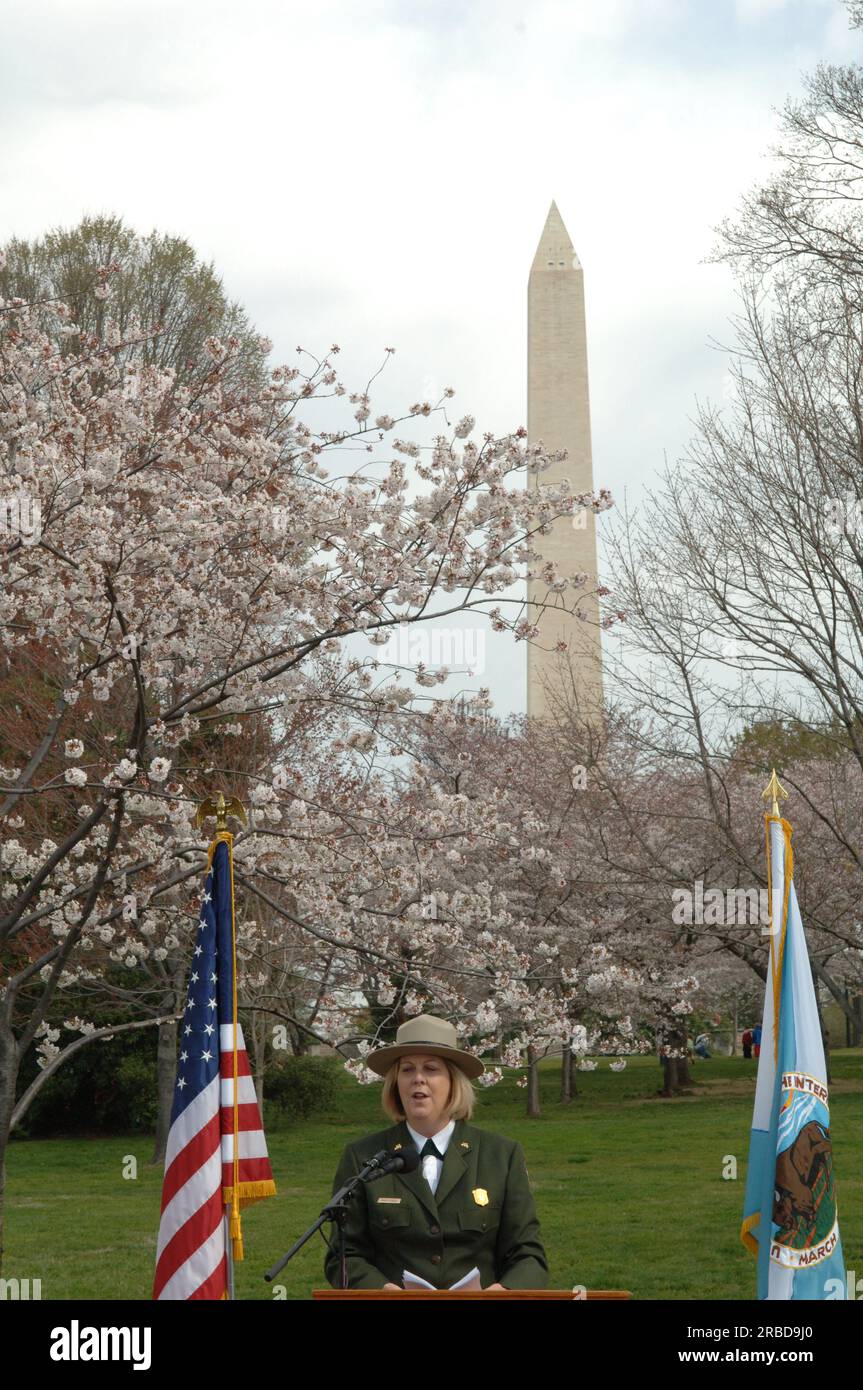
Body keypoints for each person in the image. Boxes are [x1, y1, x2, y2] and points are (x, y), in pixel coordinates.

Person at [324, 1013, 548, 1291]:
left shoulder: (501, 1156)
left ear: (453, 1081)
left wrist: (502, 1293)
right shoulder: (363, 1157)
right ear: (395, 1083)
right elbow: (343, 1255)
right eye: (407, 1070)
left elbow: (529, 1255)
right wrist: (384, 1292)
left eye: (430, 1069)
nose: (418, 1079)